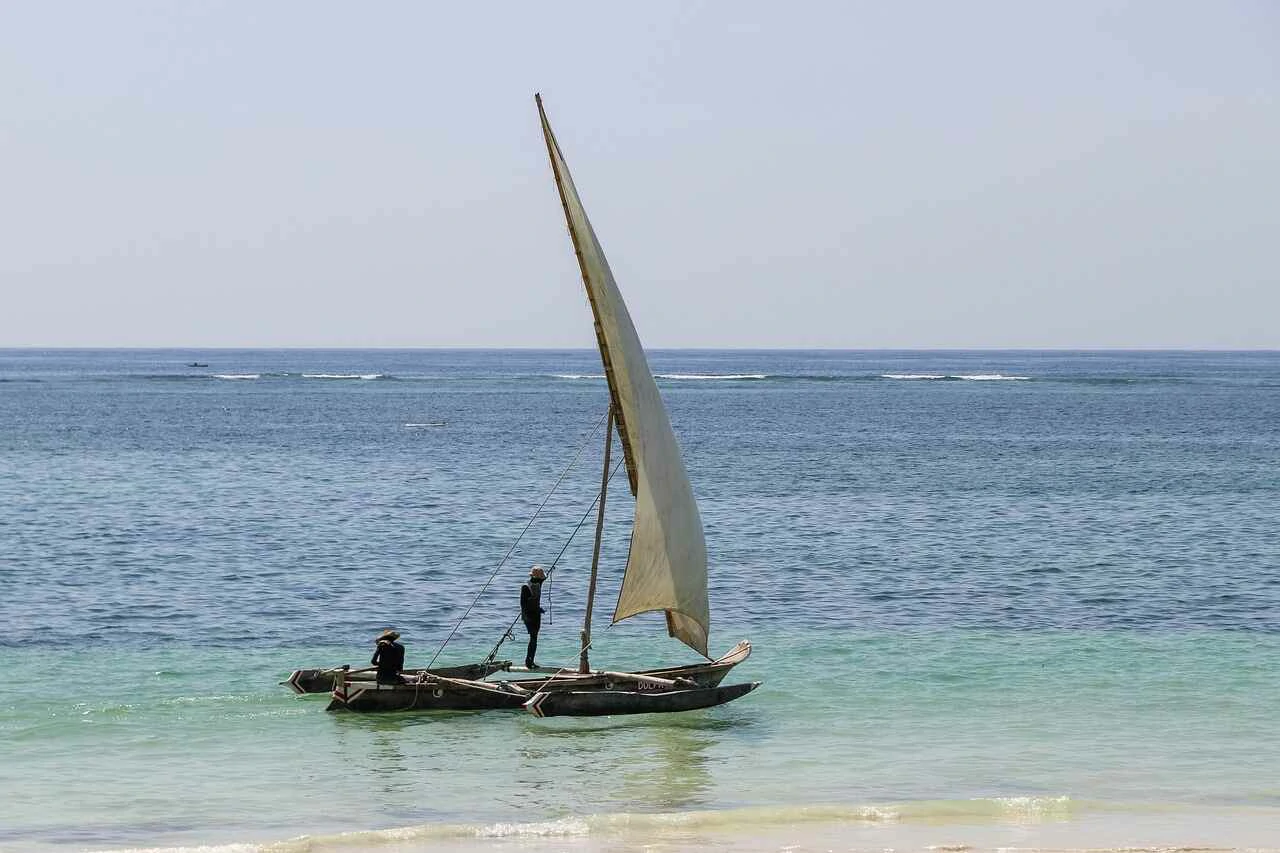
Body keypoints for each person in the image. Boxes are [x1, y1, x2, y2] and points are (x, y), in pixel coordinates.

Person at [520, 566, 547, 668]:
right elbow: (523, 605)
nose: (542, 581)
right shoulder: (526, 587)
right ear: (536, 578)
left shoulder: (538, 584)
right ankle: (529, 661)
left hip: (536, 615)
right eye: (541, 579)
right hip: (529, 616)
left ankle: (531, 661)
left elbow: (534, 600)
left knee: (534, 638)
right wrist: (526, 618)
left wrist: (539, 609)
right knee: (533, 638)